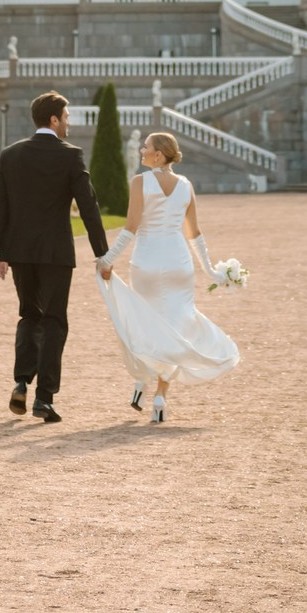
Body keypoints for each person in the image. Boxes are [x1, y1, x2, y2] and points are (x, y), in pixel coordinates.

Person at [96, 130, 239, 424]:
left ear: (159, 154)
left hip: (147, 262)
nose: (141, 150)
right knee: (175, 327)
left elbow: (130, 229)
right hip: (178, 263)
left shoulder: (140, 183)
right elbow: (194, 234)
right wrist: (211, 269)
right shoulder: (186, 185)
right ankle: (160, 395)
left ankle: (141, 381)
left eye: (145, 147)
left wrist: (108, 260)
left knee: (146, 323)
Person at [0, 91, 109, 424]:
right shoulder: (70, 156)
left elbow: (0, 206)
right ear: (54, 119)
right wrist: (103, 253)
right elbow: (88, 206)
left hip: (20, 253)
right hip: (56, 253)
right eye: (66, 117)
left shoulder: (10, 155)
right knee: (54, 321)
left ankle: (20, 381)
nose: (69, 123)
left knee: (29, 315)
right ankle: (44, 398)